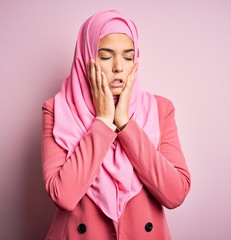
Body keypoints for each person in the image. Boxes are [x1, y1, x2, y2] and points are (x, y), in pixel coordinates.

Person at [41, 9, 191, 239]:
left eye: (128, 57)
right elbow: (64, 196)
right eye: (106, 55)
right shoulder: (58, 110)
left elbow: (175, 194)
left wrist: (125, 124)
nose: (119, 67)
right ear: (85, 58)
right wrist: (102, 122)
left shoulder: (160, 110)